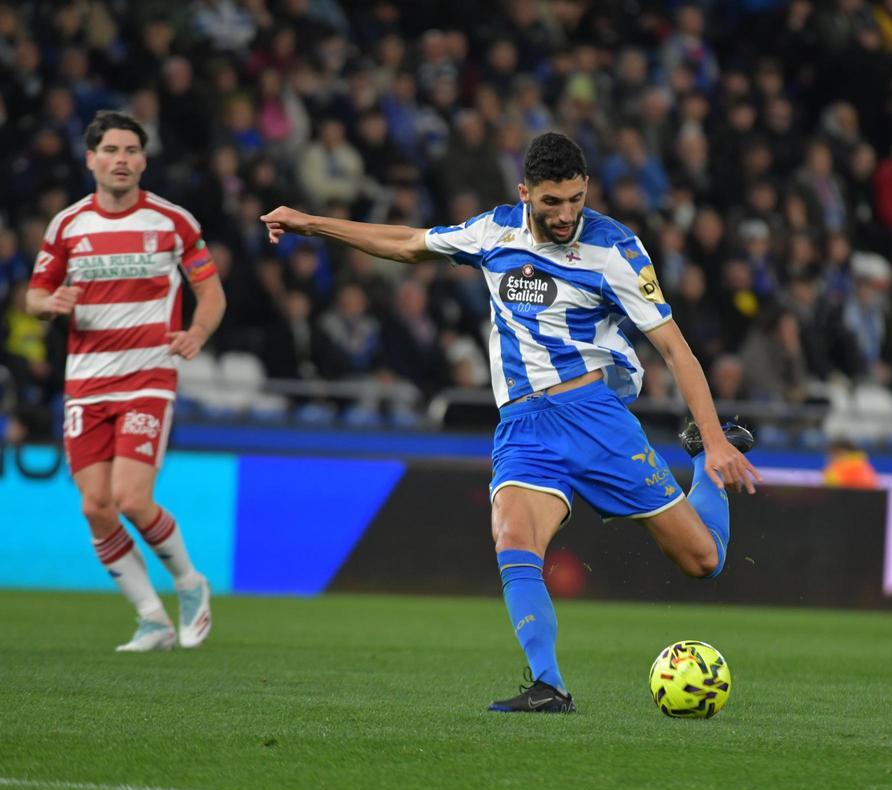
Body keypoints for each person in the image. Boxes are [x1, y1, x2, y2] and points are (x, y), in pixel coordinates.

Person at [262, 132, 760, 712]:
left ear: (586, 188)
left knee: (703, 561)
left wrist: (716, 441)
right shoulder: (493, 232)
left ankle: (700, 458)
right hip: (523, 426)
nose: (566, 214)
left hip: (594, 418)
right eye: (552, 202)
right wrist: (312, 224)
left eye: (575, 199)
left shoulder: (615, 249)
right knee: (513, 537)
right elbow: (408, 243)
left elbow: (675, 348)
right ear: (525, 193)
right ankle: (549, 686)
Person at [26, 111, 226, 652]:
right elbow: (34, 296)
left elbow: (210, 292)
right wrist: (50, 303)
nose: (121, 159)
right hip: (86, 382)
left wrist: (197, 332)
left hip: (147, 376)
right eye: (111, 150)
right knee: (95, 506)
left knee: (132, 499)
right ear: (90, 159)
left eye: (131, 150)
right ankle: (152, 619)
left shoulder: (172, 222)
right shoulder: (67, 226)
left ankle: (190, 583)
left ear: (143, 160)